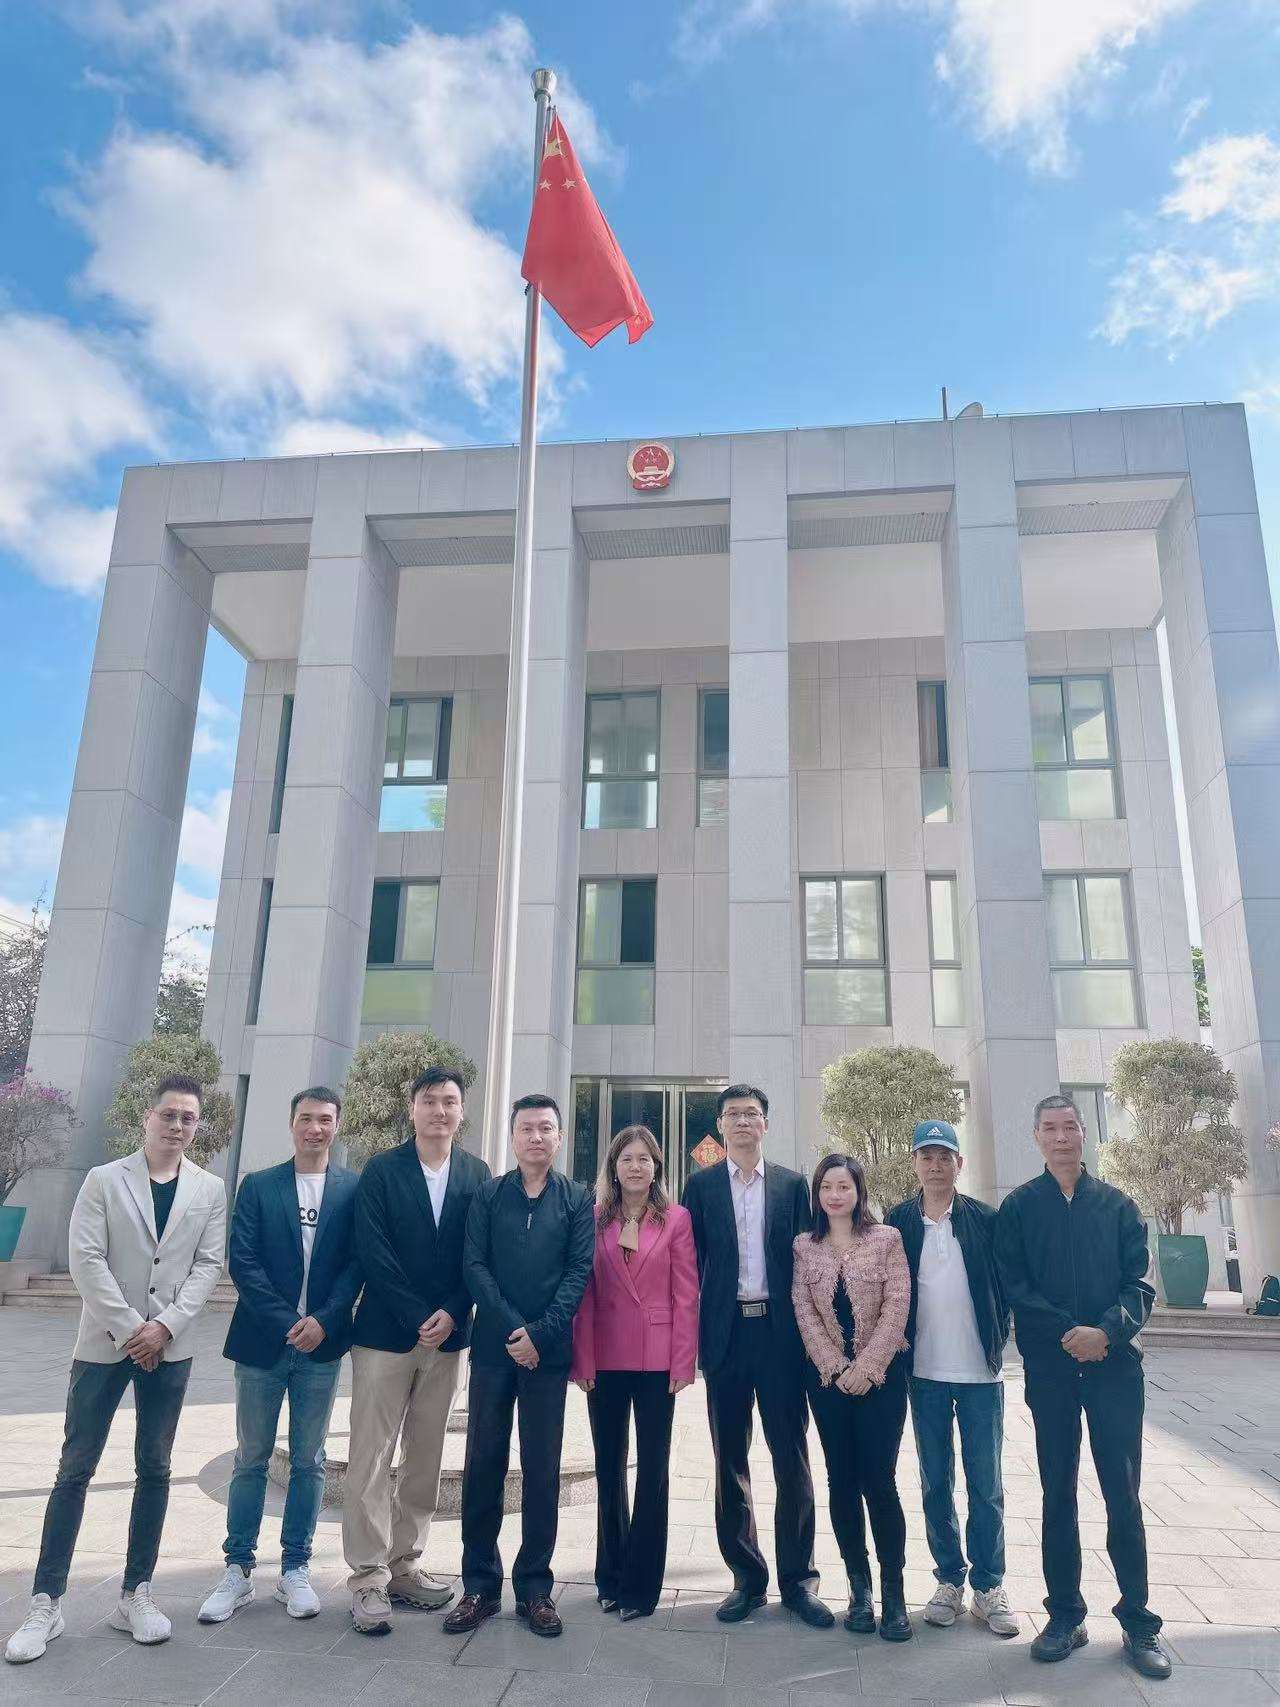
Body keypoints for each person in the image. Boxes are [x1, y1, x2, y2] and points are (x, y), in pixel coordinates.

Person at [5, 1076, 226, 1666]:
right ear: (147, 1117)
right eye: (169, 1115)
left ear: (197, 1126)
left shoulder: (208, 1188)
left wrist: (165, 1327)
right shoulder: (104, 1180)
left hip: (169, 1349)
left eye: (188, 1118)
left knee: (154, 1467)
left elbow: (208, 1265)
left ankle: (136, 1594)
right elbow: (86, 1258)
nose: (177, 1126)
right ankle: (46, 1602)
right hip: (104, 1345)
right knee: (75, 1468)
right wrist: (134, 1330)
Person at [996, 1094, 1172, 1683]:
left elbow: (1138, 1284)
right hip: (1052, 1370)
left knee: (1123, 1493)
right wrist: (1068, 1335)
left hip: (1114, 1370)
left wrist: (1106, 1333)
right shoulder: (1019, 1208)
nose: (1061, 1137)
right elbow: (1014, 1286)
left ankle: (1139, 1623)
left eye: (1069, 1126)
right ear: (1037, 1137)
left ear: (1083, 1133)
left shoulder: (1118, 1206)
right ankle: (1065, 1615)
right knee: (1058, 1491)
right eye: (1050, 1128)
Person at [199, 1086, 361, 1625]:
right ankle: (238, 1569)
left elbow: (356, 1265)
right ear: (292, 1124)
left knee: (310, 1460)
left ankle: (295, 1567)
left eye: (325, 1119)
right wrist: (290, 1323)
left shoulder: (352, 1189)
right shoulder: (260, 1186)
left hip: (322, 1345)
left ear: (336, 1126)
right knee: (251, 1457)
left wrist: (325, 1321)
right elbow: (243, 1262)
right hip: (262, 1343)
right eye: (306, 1118)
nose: (316, 1128)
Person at [342, 1067, 492, 1635]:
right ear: (413, 1109)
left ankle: (405, 1565)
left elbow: (478, 1254)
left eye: (449, 1101)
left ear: (462, 1111)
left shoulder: (477, 1173)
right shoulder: (381, 1171)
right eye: (429, 1101)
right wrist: (415, 1315)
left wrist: (453, 1310)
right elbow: (372, 1250)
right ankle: (368, 1577)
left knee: (425, 1457)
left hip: (449, 1338)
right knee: (371, 1455)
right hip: (385, 1335)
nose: (439, 1111)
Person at [444, 1094, 595, 1640]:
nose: (536, 1137)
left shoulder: (576, 1198)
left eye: (545, 1128)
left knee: (542, 1467)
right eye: (526, 1128)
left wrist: (541, 1334)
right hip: (493, 1351)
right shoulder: (489, 1195)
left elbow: (578, 1272)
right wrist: (515, 1332)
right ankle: (480, 1586)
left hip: (547, 1357)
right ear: (512, 1137)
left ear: (559, 1137)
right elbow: (474, 1266)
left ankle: (535, 1588)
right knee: (483, 1461)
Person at [681, 1085, 831, 1627]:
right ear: (721, 1125)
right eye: (733, 1114)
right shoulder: (700, 1186)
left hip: (779, 1336)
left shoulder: (791, 1185)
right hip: (725, 1338)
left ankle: (798, 1580)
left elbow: (811, 1262)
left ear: (766, 1124)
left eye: (752, 1114)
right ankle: (747, 1578)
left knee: (791, 1456)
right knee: (730, 1460)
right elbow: (688, 1265)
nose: (743, 1121)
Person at [885, 1121, 1016, 1638]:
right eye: (927, 1156)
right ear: (915, 1163)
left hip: (980, 1372)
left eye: (945, 1156)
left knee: (986, 1484)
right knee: (935, 1480)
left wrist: (997, 1336)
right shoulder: (898, 1221)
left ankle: (989, 1585)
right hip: (924, 1373)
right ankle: (948, 1580)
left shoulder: (985, 1219)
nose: (936, 1165)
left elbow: (1006, 1285)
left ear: (959, 1164)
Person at [571, 1125, 699, 1620]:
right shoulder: (593, 1218)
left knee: (652, 1471)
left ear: (656, 1167)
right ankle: (610, 1576)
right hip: (604, 1358)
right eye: (627, 1158)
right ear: (613, 1167)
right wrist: (582, 1359)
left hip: (655, 1360)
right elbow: (582, 1292)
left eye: (645, 1158)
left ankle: (642, 1587)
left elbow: (686, 1293)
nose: (636, 1166)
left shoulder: (677, 1219)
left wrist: (683, 1360)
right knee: (609, 1468)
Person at [792, 1153, 913, 1642]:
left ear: (858, 1191)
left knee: (879, 1482)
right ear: (817, 1194)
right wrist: (836, 1367)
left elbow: (898, 1304)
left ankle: (894, 1593)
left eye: (843, 1186)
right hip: (828, 1384)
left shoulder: (886, 1239)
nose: (835, 1194)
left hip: (881, 1381)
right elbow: (804, 1310)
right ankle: (859, 1589)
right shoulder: (805, 1246)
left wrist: (866, 1368)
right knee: (840, 1480)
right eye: (826, 1186)